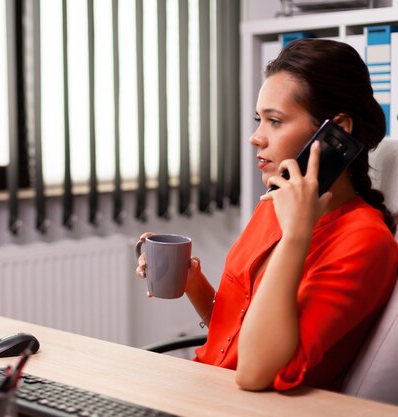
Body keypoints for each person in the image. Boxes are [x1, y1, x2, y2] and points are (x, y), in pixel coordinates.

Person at [136, 38, 398, 392]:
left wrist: (296, 236)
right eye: (259, 120)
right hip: (204, 389)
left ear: (338, 130)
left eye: (275, 121)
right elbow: (239, 338)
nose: (255, 137)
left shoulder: (365, 242)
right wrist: (193, 285)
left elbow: (255, 372)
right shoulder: (273, 206)